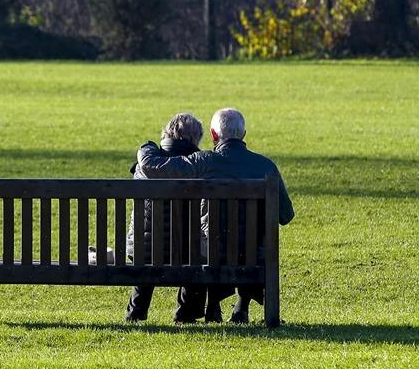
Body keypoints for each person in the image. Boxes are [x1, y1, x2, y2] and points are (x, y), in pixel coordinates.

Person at [136, 108, 294, 324]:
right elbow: (286, 215)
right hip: (253, 257)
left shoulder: (203, 161)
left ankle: (213, 307)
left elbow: (158, 168)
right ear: (244, 134)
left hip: (209, 254)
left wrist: (146, 150)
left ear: (213, 134)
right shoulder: (266, 166)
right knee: (252, 240)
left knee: (207, 240)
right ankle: (241, 308)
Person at [125, 112, 212, 323]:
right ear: (195, 139)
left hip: (141, 251)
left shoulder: (142, 167)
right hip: (186, 253)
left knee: (147, 248)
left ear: (167, 133)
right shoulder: (199, 167)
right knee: (196, 252)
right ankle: (187, 312)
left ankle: (136, 312)